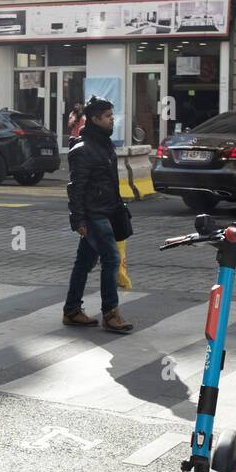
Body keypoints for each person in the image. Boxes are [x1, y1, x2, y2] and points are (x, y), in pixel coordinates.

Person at [65, 96, 132, 334]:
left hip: (107, 211)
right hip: (93, 214)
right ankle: (110, 313)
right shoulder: (82, 149)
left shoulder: (105, 144)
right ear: (95, 119)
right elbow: (76, 188)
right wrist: (78, 220)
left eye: (112, 116)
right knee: (112, 259)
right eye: (108, 117)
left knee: (84, 262)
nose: (112, 120)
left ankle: (72, 310)